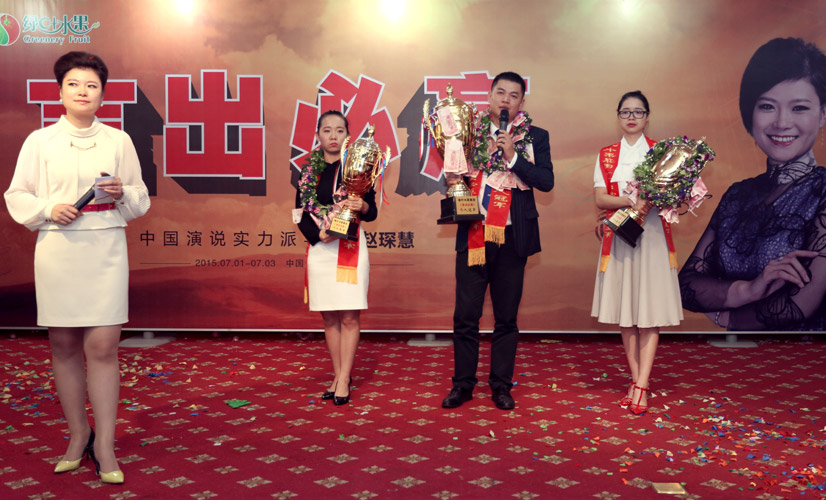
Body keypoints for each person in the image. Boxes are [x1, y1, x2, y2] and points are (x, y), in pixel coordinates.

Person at [4, 51, 150, 484]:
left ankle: (105, 445)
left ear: (102, 94)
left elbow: (140, 198)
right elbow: (17, 195)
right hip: (58, 247)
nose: (83, 91)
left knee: (103, 347)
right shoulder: (41, 141)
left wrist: (122, 192)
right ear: (60, 92)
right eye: (74, 84)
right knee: (64, 345)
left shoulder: (118, 140)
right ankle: (78, 434)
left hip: (105, 247)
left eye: (91, 85)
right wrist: (50, 208)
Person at [679, 37, 826, 331]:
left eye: (799, 108)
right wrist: (748, 290)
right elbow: (685, 285)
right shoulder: (737, 195)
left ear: (823, 114)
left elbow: (799, 306)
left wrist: (727, 316)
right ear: (750, 115)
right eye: (767, 106)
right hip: (736, 352)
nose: (782, 122)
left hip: (807, 355)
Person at [441, 71, 554, 411]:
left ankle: (501, 386)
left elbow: (546, 181)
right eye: (500, 92)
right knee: (466, 317)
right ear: (490, 96)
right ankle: (462, 385)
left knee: (506, 318)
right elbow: (456, 178)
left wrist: (513, 157)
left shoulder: (535, 136)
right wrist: (453, 177)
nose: (506, 99)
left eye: (514, 95)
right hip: (474, 234)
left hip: (513, 237)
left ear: (522, 102)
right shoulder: (468, 134)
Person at [591, 91, 683, 415]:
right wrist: (633, 200)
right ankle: (635, 379)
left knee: (649, 312)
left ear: (647, 117)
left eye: (638, 112)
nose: (631, 117)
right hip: (621, 235)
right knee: (627, 313)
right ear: (618, 116)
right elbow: (601, 198)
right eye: (626, 112)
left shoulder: (663, 154)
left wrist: (656, 198)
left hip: (653, 236)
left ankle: (642, 385)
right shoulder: (606, 155)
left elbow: (675, 198)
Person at [294, 110, 378, 406]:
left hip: (350, 247)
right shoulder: (308, 170)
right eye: (327, 130)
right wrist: (319, 235)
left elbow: (372, 211)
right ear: (318, 135)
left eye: (339, 130)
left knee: (349, 316)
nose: (333, 136)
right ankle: (338, 373)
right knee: (329, 316)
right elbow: (299, 212)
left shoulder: (357, 166)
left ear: (347, 136)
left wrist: (362, 206)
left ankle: (344, 378)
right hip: (321, 248)